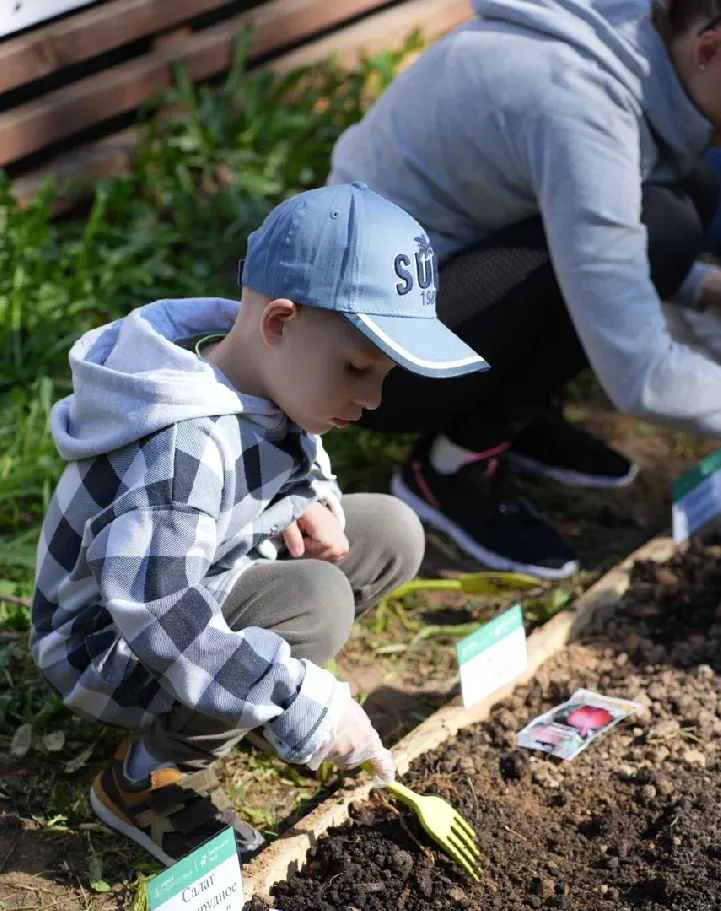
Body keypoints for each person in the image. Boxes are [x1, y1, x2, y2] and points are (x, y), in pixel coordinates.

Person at [30, 182, 486, 866]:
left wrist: (312, 500)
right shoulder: (182, 445)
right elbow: (158, 610)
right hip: (112, 643)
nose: (370, 397)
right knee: (318, 604)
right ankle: (150, 773)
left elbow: (294, 456)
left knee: (390, 531)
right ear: (278, 322)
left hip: (208, 566)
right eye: (357, 368)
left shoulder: (266, 376)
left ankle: (247, 682)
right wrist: (299, 697)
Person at [329, 0, 721, 579]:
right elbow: (642, 374)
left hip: (445, 265)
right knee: (663, 227)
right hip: (368, 354)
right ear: (709, 49)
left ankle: (512, 413)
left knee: (681, 206)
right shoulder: (584, 107)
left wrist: (700, 285)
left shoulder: (628, 27)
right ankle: (454, 467)